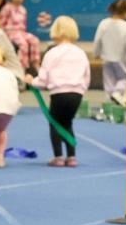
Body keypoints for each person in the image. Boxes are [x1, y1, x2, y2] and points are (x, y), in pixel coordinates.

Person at [31, 15, 89, 167]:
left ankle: (58, 156)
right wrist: (81, 90)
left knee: (55, 123)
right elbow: (86, 76)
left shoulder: (52, 53)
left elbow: (43, 79)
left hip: (59, 93)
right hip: (76, 94)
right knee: (67, 122)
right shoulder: (81, 53)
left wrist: (31, 82)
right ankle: (71, 157)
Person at [92, 0, 126, 104]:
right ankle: (118, 93)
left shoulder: (103, 23)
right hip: (120, 58)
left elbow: (97, 40)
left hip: (106, 58)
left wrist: (96, 53)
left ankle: (109, 100)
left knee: (109, 80)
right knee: (125, 77)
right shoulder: (125, 26)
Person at [0, 0, 42, 73]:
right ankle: (22, 67)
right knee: (23, 44)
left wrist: (23, 34)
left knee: (35, 40)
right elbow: (1, 24)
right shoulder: (7, 8)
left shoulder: (23, 9)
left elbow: (24, 25)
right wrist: (4, 37)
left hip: (21, 32)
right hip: (10, 33)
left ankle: (35, 63)